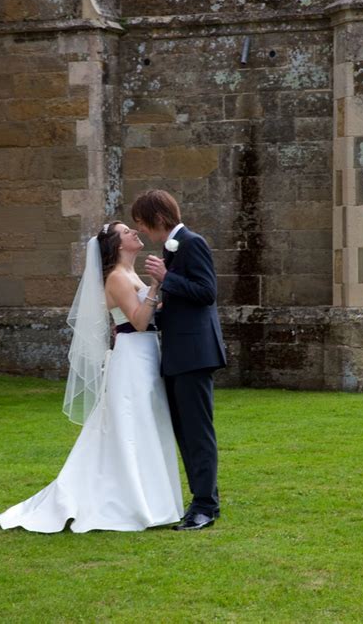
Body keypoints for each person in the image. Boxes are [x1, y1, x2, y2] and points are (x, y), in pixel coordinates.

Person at [0, 222, 183, 533]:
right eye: (127, 232)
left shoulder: (129, 274)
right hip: (134, 354)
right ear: (117, 245)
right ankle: (134, 501)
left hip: (146, 353)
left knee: (147, 422)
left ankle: (154, 497)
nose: (135, 232)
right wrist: (157, 288)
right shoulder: (118, 277)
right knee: (133, 426)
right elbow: (137, 322)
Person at [132, 190, 227, 531]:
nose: (141, 231)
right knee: (184, 433)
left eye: (142, 224)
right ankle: (200, 501)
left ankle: (205, 506)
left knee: (197, 432)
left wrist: (165, 277)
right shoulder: (172, 248)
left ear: (158, 218)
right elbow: (182, 304)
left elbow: (207, 292)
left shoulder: (191, 243)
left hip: (194, 354)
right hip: (177, 353)